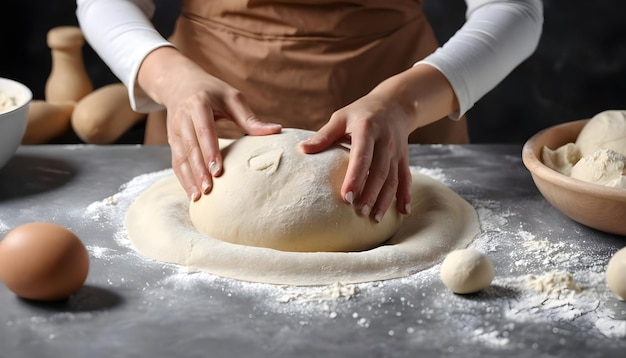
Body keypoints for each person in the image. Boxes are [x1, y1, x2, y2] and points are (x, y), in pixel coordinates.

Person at [76, 0, 543, 223]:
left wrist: (404, 101)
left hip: (403, 102)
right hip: (209, 106)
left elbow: (514, 9)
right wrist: (170, 79)